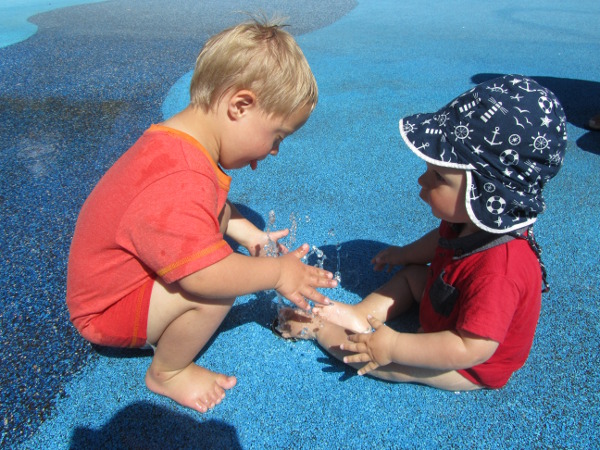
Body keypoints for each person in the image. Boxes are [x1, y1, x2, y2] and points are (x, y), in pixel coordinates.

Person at [66, 18, 337, 414]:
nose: (274, 152)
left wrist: (245, 232)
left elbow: (213, 206)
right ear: (240, 106)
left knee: (220, 249)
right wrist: (278, 273)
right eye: (276, 137)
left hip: (113, 282)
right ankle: (168, 372)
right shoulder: (181, 180)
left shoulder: (178, 143)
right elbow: (205, 277)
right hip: (108, 310)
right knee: (219, 284)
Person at [276, 74, 567, 391]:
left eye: (438, 176)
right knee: (413, 275)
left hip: (468, 363)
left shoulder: (501, 271)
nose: (422, 181)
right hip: (450, 301)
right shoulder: (471, 219)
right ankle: (360, 315)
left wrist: (395, 347)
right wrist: (405, 254)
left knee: (388, 365)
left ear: (483, 194)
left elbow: (472, 347)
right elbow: (441, 240)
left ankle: (317, 328)